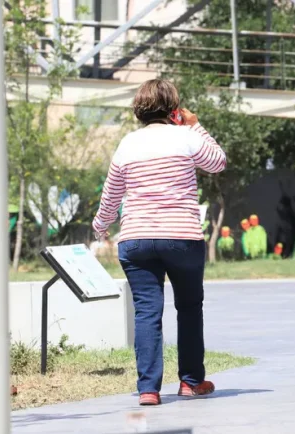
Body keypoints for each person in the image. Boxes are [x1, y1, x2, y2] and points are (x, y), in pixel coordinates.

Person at [92, 79, 226, 406]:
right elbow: (218, 162)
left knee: (146, 312)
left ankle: (149, 390)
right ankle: (190, 382)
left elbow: (112, 194)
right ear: (173, 108)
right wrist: (196, 126)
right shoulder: (185, 137)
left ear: (139, 109)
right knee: (189, 309)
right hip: (181, 237)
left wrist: (100, 226)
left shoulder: (127, 144)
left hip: (136, 239)